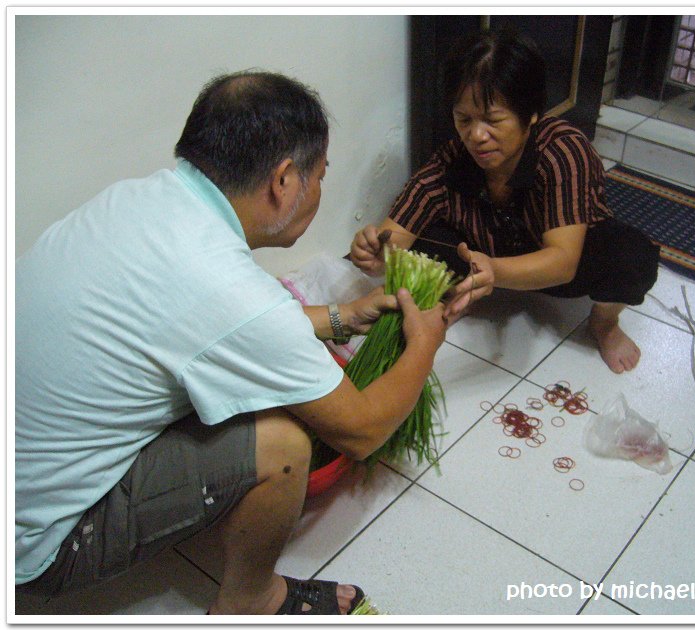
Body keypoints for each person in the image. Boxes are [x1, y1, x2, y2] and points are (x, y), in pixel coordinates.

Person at [15, 71, 448, 615]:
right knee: (285, 443)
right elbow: (361, 429)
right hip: (37, 545)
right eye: (319, 175)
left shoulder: (137, 200)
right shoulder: (226, 288)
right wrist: (425, 342)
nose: (318, 190)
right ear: (284, 181)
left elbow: (217, 326)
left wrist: (342, 316)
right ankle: (252, 600)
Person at [351, 28, 659, 373]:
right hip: (485, 258)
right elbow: (395, 236)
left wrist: (494, 272)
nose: (476, 136)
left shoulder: (562, 150)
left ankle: (604, 324)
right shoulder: (450, 161)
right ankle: (465, 291)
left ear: (530, 114)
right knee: (425, 242)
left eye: (493, 120)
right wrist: (379, 256)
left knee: (632, 258)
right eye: (464, 119)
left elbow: (562, 262)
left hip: (556, 267)